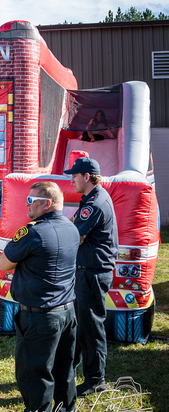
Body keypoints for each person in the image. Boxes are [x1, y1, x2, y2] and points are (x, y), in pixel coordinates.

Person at [0, 182, 80, 412]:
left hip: (41, 316)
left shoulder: (32, 233)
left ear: (47, 203)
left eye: (31, 200)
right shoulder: (71, 227)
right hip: (67, 311)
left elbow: (3, 263)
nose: (27, 205)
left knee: (35, 376)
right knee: (64, 370)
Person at [64, 157, 118, 397]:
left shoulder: (94, 204)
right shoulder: (92, 199)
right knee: (80, 324)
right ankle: (69, 372)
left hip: (92, 273)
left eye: (74, 175)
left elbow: (75, 236)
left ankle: (96, 380)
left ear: (87, 176)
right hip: (88, 271)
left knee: (91, 327)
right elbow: (75, 224)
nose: (71, 179)